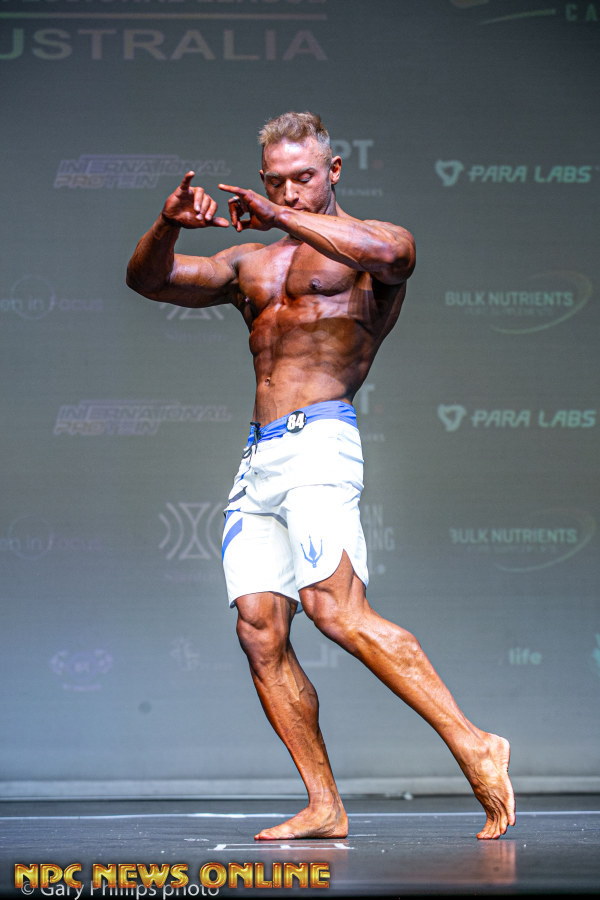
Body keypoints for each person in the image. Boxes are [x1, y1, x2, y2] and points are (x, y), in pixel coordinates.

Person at [126, 111, 515, 841]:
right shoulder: (251, 262)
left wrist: (283, 217)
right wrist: (167, 224)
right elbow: (151, 280)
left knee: (336, 610)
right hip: (259, 457)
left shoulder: (374, 245)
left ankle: (475, 743)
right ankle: (324, 803)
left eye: (303, 178)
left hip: (320, 442)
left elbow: (394, 256)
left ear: (333, 170)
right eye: (275, 182)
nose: (288, 192)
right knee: (259, 630)